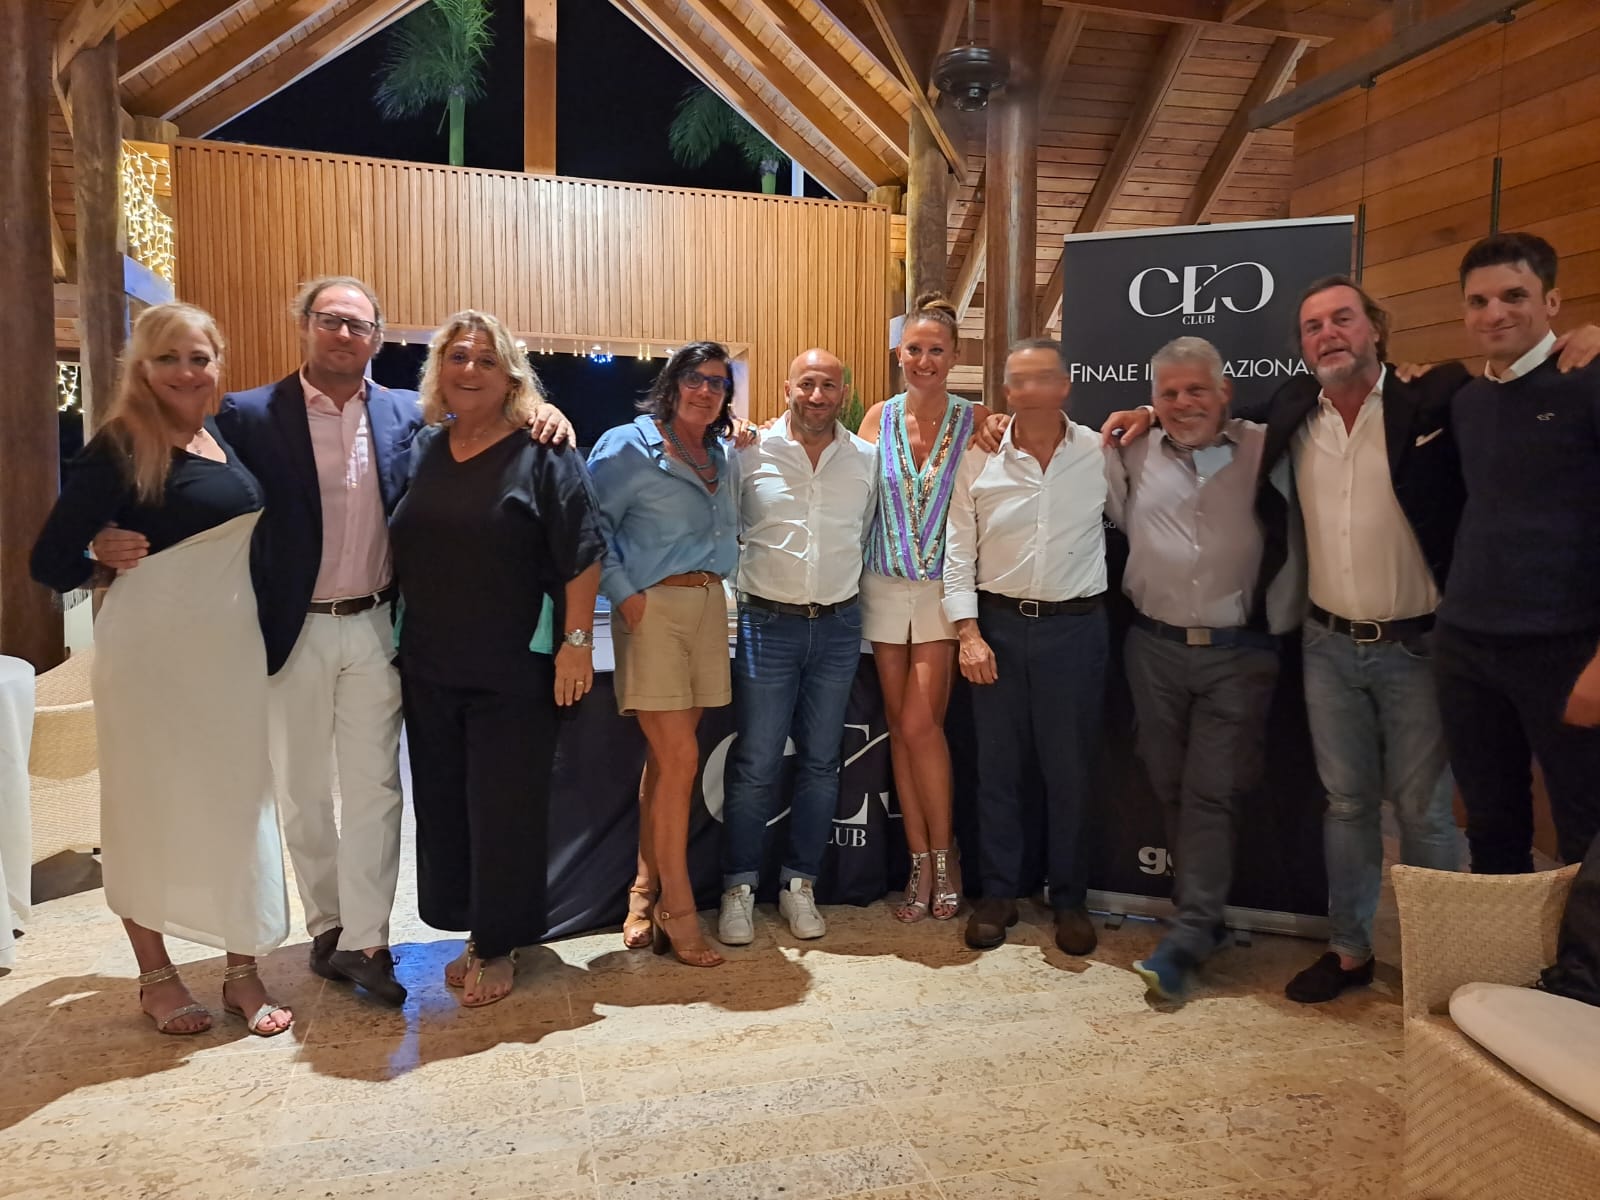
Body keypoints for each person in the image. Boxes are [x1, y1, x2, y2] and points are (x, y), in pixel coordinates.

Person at [1097, 283, 1600, 1003]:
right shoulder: (1228, 429)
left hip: (1385, 647)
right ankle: (1348, 949)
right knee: (1342, 806)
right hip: (1275, 646)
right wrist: (1145, 413)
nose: (1183, 403)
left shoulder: (1392, 407)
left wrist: (1580, 342)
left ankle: (1442, 967)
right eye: (1313, 326)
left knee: (1424, 812)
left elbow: (1501, 382)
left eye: (1342, 319)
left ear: (1375, 329)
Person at [91, 276, 572, 1008]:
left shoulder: (409, 416)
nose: (344, 334)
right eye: (330, 320)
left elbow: (486, 418)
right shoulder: (249, 414)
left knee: (378, 787)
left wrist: (541, 407)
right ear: (305, 325)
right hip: (289, 628)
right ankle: (328, 925)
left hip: (378, 625)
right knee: (303, 791)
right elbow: (185, 484)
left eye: (359, 324)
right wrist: (102, 537)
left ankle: (368, 940)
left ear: (377, 338)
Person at [31, 303, 292, 1037]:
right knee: (145, 804)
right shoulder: (120, 444)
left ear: (217, 365)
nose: (186, 372)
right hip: (151, 654)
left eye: (199, 358)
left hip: (228, 653)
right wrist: (97, 554)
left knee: (239, 802)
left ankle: (242, 969)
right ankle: (156, 977)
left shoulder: (219, 435)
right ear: (141, 368)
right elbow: (48, 561)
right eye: (168, 358)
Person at [389, 311, 604, 1007]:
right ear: (439, 370)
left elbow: (582, 554)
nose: (470, 370)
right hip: (428, 665)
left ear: (511, 376)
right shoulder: (422, 448)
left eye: (486, 360)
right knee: (447, 806)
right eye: (458, 357)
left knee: (504, 808)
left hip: (512, 668)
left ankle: (498, 942)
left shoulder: (543, 451)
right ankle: (473, 926)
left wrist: (576, 645)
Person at [1107, 337, 1302, 1003]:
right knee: (1167, 783)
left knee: (1211, 790)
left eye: (1197, 389)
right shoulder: (1131, 451)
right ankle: (1204, 919)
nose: (1182, 402)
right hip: (1153, 648)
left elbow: (1315, 401)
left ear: (1225, 392)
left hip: (1238, 655)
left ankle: (1188, 935)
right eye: (1168, 393)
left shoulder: (1264, 447)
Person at [1435, 232, 1600, 874]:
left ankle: (1582, 947)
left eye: (1514, 295)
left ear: (1551, 301)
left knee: (1587, 830)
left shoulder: (1589, 383)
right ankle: (1503, 942)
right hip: (1467, 646)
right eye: (1479, 301)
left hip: (1566, 650)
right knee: (1490, 822)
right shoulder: (1467, 403)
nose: (1495, 313)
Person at [944, 339, 1108, 957]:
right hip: (998, 628)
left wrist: (1145, 414)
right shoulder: (978, 457)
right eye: (1019, 380)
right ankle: (998, 893)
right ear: (1007, 391)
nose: (1031, 390)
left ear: (1066, 385)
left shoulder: (1099, 452)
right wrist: (968, 633)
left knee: (1071, 772)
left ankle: (1069, 898)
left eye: (1044, 378)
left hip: (1076, 630)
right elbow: (957, 551)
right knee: (997, 769)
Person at [588, 343, 741, 968]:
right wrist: (625, 597)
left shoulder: (722, 454)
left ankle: (642, 890)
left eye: (718, 383)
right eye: (695, 379)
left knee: (666, 762)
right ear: (673, 383)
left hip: (708, 607)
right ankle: (678, 907)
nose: (706, 391)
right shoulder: (626, 445)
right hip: (652, 610)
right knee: (680, 758)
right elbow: (590, 527)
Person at [716, 349, 877, 945]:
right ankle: (738, 888)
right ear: (787, 388)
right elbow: (727, 529)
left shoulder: (866, 460)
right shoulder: (748, 451)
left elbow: (863, 534)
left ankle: (799, 883)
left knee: (821, 762)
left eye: (828, 385)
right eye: (806, 383)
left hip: (838, 625)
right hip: (768, 626)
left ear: (844, 393)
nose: (817, 395)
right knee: (757, 762)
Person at [859, 291, 991, 923]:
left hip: (944, 594)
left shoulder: (978, 419)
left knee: (919, 726)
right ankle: (918, 861)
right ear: (898, 354)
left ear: (955, 355)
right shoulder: (877, 417)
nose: (924, 360)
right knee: (900, 730)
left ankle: (947, 858)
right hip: (883, 588)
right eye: (914, 349)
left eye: (936, 350)